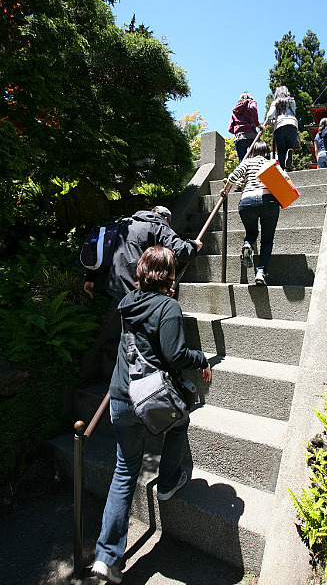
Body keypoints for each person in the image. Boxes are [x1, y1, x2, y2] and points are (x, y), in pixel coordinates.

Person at [92, 245, 212, 584]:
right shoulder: (168, 306)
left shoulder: (127, 303)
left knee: (124, 470)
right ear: (170, 275)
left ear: (142, 273)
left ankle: (106, 556)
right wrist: (202, 360)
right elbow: (174, 354)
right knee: (180, 423)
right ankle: (168, 483)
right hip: (151, 396)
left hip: (120, 396)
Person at [83, 205, 202, 301]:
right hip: (134, 286)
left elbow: (104, 248)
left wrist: (90, 277)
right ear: (166, 219)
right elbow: (181, 251)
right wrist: (194, 245)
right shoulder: (158, 226)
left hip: (111, 283)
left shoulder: (124, 223)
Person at [220, 140, 280, 287]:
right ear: (266, 151)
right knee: (267, 240)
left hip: (247, 201)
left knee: (251, 231)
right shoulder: (271, 162)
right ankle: (261, 271)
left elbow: (233, 176)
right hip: (268, 200)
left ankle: (248, 244)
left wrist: (226, 190)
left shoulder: (247, 162)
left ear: (252, 150)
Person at [266, 86, 298, 170]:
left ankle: (283, 169)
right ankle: (289, 153)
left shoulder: (276, 102)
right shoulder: (292, 101)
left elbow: (270, 115)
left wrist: (271, 120)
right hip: (292, 124)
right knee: (289, 147)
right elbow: (293, 112)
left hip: (280, 125)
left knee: (281, 150)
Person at [228, 92, 262, 163]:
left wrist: (238, 131)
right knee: (256, 158)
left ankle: (243, 174)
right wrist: (257, 125)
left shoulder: (235, 109)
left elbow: (231, 129)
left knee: (242, 161)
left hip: (239, 138)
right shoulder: (251, 102)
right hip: (251, 135)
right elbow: (253, 108)